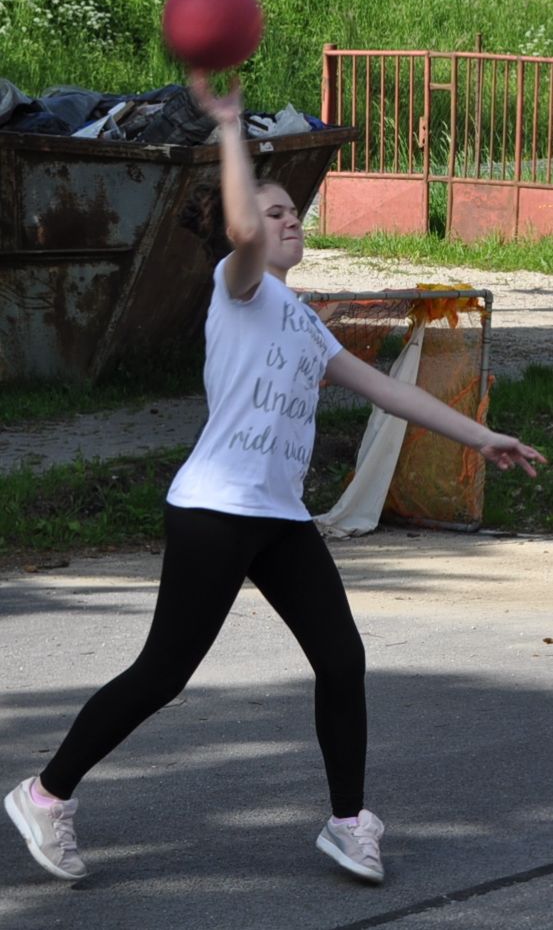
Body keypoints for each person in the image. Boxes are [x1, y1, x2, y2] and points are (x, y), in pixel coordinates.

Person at [4, 73, 546, 887]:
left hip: (278, 517)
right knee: (164, 673)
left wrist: (482, 435)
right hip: (214, 511)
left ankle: (348, 823)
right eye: (274, 211)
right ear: (244, 231)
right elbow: (239, 230)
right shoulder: (239, 288)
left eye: (295, 211)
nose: (289, 219)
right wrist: (229, 129)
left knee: (341, 658)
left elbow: (388, 391)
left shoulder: (302, 320)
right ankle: (46, 794)